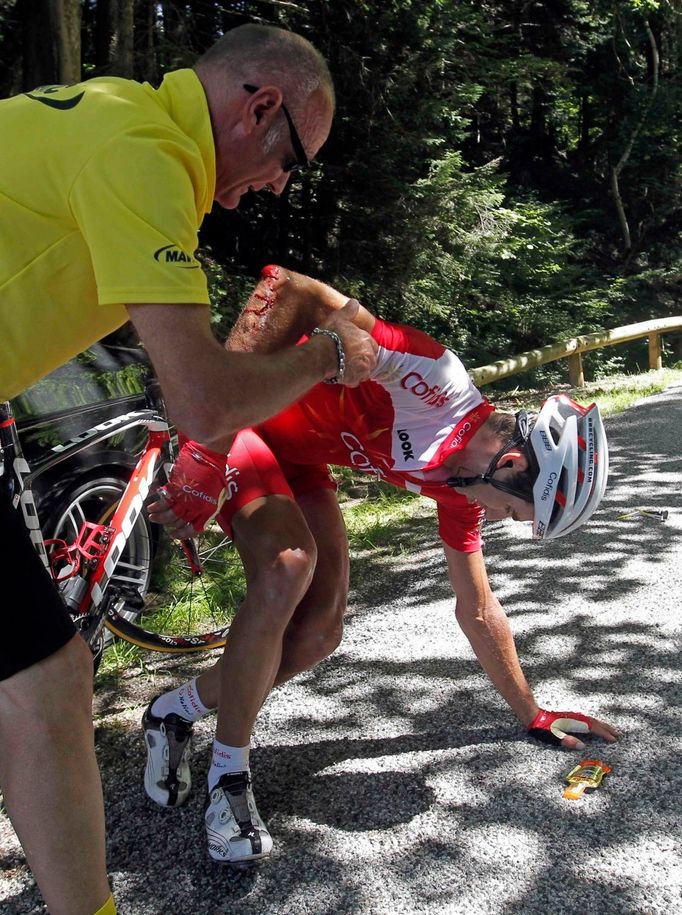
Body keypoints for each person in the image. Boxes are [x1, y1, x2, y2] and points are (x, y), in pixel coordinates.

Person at [0, 26, 378, 915]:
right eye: (294, 160)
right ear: (259, 108)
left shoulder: (115, 116)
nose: (282, 183)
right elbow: (204, 399)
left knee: (37, 680)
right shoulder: (147, 153)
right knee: (46, 682)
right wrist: (328, 353)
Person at [144, 265, 619, 867]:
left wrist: (532, 713)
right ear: (508, 466)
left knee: (320, 633)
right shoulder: (436, 380)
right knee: (291, 564)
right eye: (515, 512)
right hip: (241, 423)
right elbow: (293, 289)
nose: (504, 522)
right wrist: (205, 445)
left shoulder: (458, 488)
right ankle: (228, 779)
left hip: (299, 461)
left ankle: (172, 711)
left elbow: (476, 608)